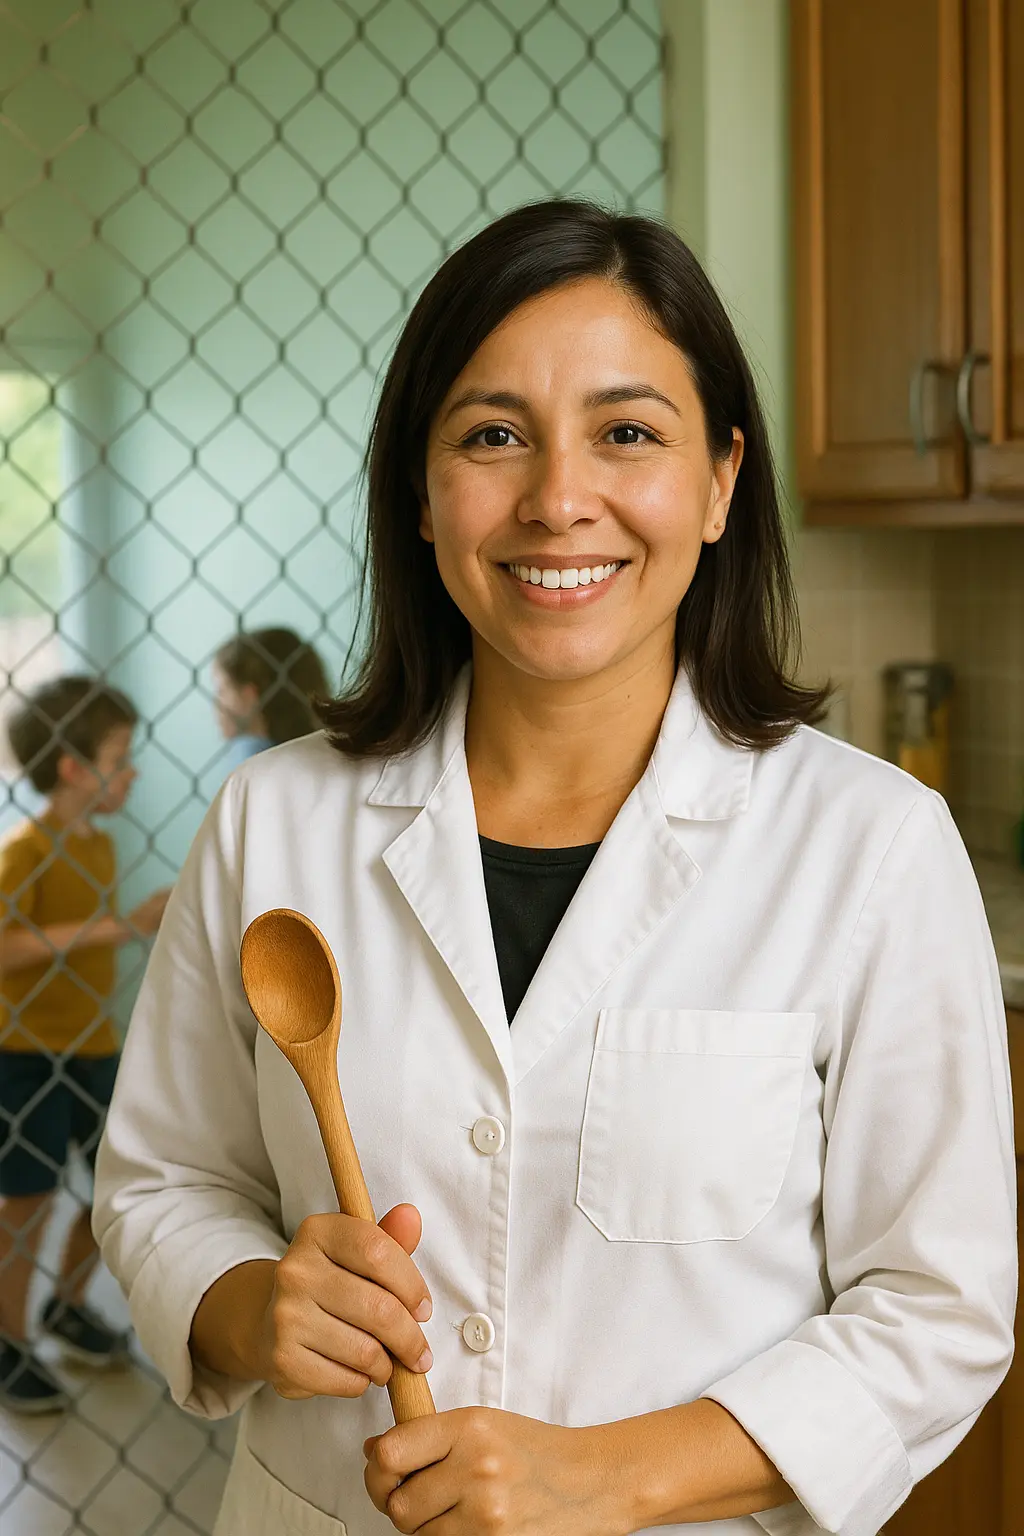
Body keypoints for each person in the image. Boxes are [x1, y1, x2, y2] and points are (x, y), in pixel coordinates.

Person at [94, 202, 1015, 1536]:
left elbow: (939, 1312)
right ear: (421, 493)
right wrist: (252, 1307)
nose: (557, 498)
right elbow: (167, 1184)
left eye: (627, 433)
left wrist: (608, 1475)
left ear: (717, 484)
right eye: (492, 436)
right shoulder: (272, 822)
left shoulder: (870, 848)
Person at [0, 676, 170, 1413]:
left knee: (115, 1184)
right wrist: (125, 927)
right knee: (29, 1202)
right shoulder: (27, 849)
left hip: (94, 1050)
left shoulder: (97, 846)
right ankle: (9, 1342)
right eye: (119, 758)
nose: (130, 773)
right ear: (74, 768)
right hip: (25, 1053)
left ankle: (66, 1305)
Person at [212, 628, 330, 776]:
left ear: (249, 694)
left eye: (221, 691)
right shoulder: (329, 753)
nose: (215, 703)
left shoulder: (248, 754)